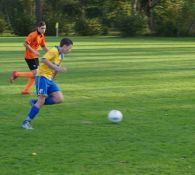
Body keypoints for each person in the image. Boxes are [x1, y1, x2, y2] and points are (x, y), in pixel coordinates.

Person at [21, 38, 73, 129]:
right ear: (64, 46)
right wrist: (56, 68)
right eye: (69, 48)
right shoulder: (54, 50)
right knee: (41, 100)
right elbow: (43, 59)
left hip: (49, 79)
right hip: (42, 77)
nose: (70, 50)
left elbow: (56, 68)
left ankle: (35, 102)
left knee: (59, 98)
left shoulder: (61, 56)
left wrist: (53, 78)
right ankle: (26, 122)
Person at [10, 21, 48, 95]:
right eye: (42, 28)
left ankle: (25, 90)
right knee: (36, 74)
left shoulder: (42, 36)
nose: (44, 30)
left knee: (36, 75)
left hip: (35, 57)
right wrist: (34, 51)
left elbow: (43, 47)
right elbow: (25, 43)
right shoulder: (33, 34)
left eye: (45, 28)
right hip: (29, 56)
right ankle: (16, 74)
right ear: (38, 28)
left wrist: (52, 53)